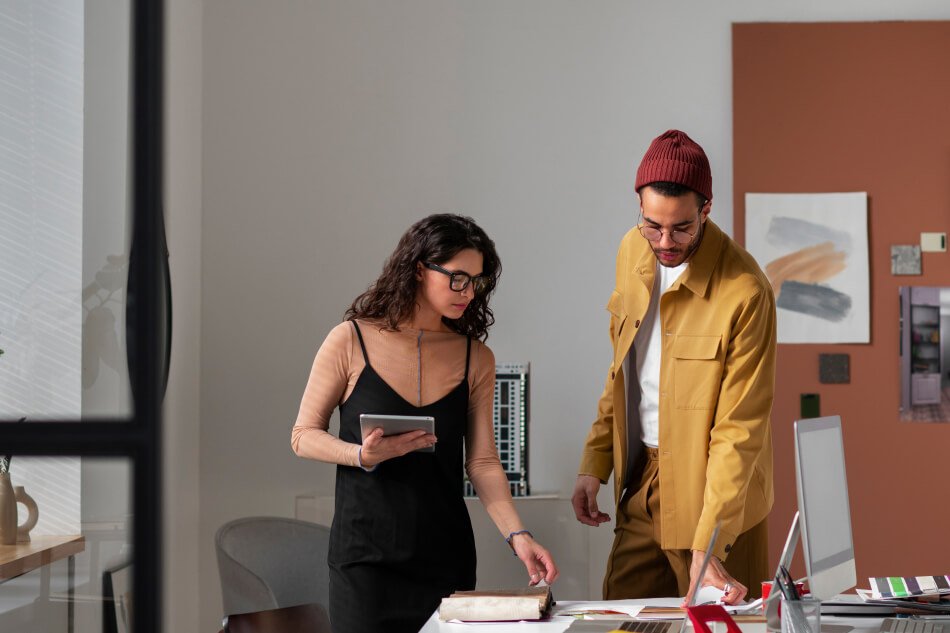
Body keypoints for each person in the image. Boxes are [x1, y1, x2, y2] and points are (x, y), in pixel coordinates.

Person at [292, 213, 558, 632]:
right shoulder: (349, 340)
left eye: (476, 281)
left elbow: (482, 462)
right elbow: (303, 436)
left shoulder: (475, 357)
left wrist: (518, 535)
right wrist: (361, 455)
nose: (468, 292)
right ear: (419, 269)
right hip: (364, 561)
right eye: (457, 278)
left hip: (445, 558)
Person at [571, 130, 776, 606]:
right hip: (642, 476)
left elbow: (740, 429)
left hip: (715, 492)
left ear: (706, 210)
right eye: (652, 226)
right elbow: (621, 369)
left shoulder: (746, 291)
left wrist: (710, 540)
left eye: (681, 228)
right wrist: (595, 462)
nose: (664, 242)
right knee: (623, 618)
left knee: (722, 623)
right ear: (639, 209)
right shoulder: (631, 250)